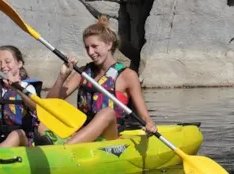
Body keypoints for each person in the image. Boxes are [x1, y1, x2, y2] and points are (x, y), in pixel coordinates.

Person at [47, 16, 157, 145]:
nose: (90, 52)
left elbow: (144, 115)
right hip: (83, 132)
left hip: (110, 136)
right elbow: (49, 104)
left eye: (94, 46)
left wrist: (149, 124)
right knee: (46, 121)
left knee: (107, 113)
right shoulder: (82, 72)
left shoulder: (128, 75)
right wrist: (62, 76)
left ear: (109, 44)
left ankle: (64, 150)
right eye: (87, 47)